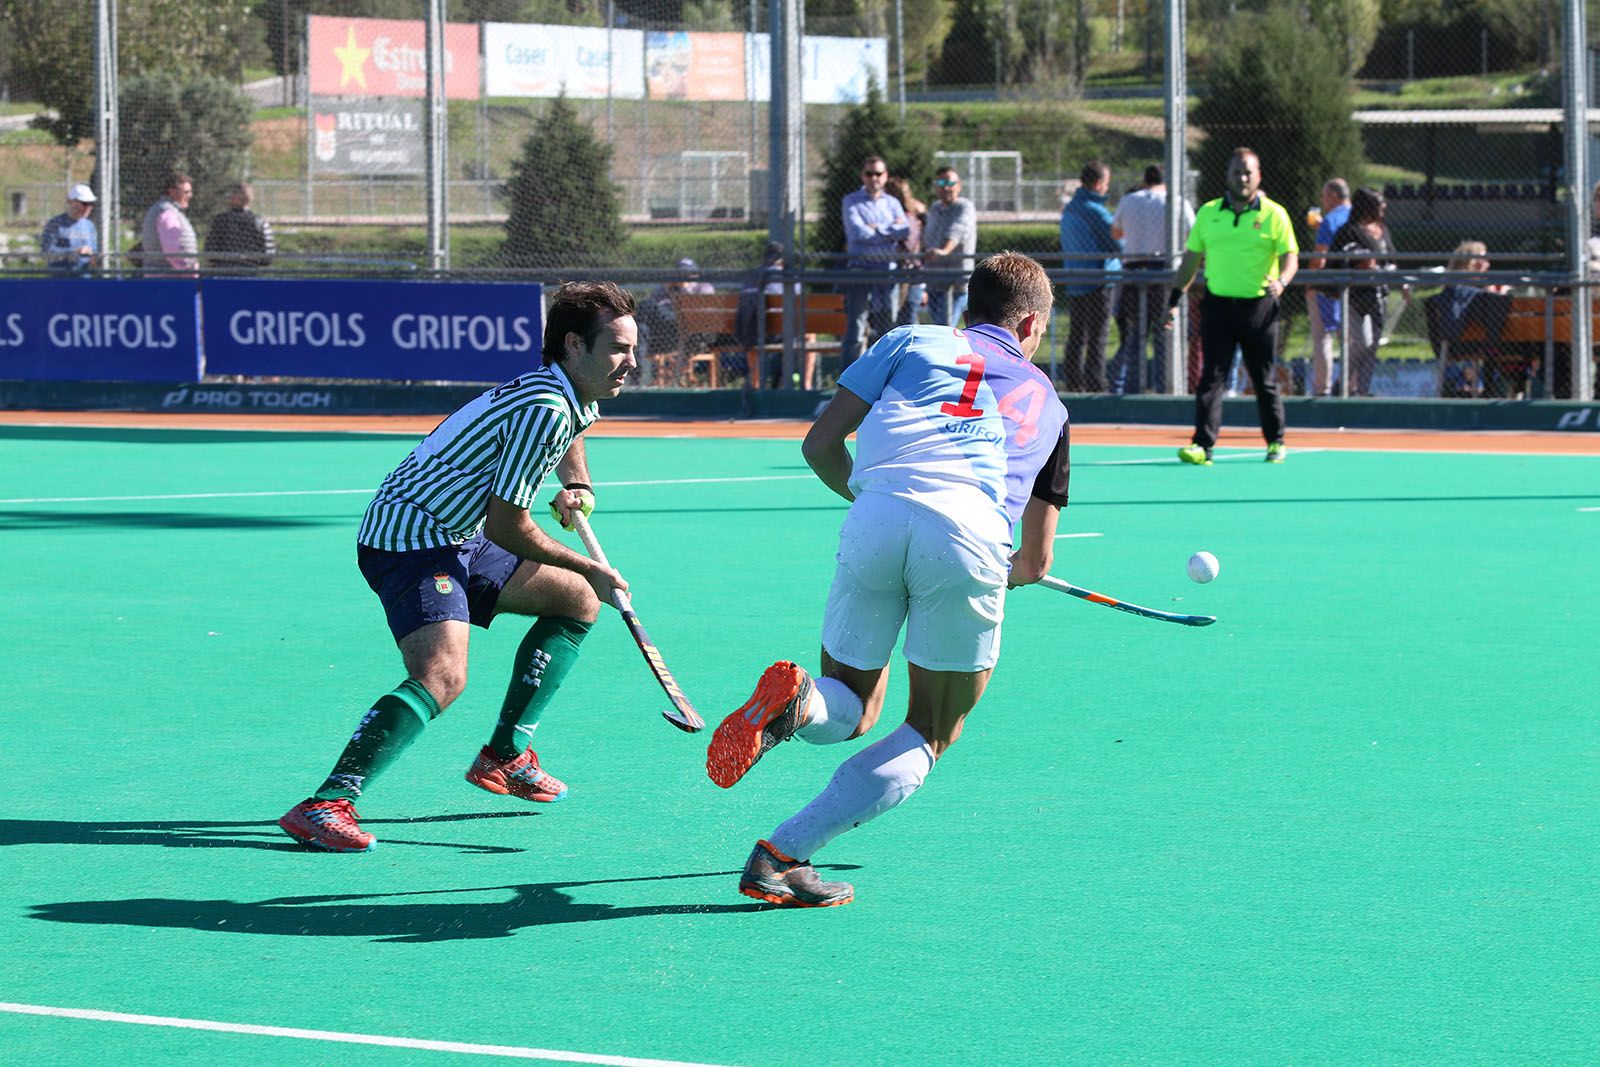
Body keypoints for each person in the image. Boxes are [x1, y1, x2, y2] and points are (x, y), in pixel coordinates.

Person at [704, 251, 1072, 907]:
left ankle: (800, 704)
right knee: (930, 730)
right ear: (1029, 324)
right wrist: (1003, 575)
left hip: (874, 516)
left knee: (849, 702)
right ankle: (782, 853)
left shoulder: (910, 339)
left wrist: (884, 505)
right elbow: (1035, 564)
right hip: (969, 540)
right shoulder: (1050, 406)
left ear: (970, 307)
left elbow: (820, 444)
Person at [278, 281, 638, 853]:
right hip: (410, 541)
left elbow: (574, 430)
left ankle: (505, 755)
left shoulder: (569, 393)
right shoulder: (543, 407)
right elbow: (507, 526)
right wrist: (588, 563)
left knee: (575, 600)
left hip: (455, 533)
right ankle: (326, 803)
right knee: (443, 676)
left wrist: (577, 485)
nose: (630, 363)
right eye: (618, 348)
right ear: (574, 345)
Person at [1168, 147, 1298, 465]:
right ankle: (1203, 445)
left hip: (1260, 309)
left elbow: (1290, 256)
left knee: (1263, 378)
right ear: (1227, 176)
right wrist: (1174, 300)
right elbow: (1190, 261)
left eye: (1248, 172)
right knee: (1211, 376)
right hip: (1218, 308)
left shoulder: (1275, 214)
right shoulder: (1208, 213)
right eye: (1237, 172)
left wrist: (1282, 281)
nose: (1242, 177)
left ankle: (1275, 442)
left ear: (1258, 176)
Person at [1108, 164, 1193, 394]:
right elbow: (1192, 235)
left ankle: (1133, 387)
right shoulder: (1177, 201)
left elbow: (1116, 233)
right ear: (1166, 181)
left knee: (1136, 333)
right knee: (1163, 334)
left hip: (1134, 272)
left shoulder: (1130, 200)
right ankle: (1165, 387)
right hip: (1164, 273)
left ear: (1145, 181)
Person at [840, 155, 910, 371]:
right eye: (869, 174)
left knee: (888, 324)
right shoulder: (851, 200)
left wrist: (876, 228)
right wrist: (890, 229)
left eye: (878, 174)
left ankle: (884, 373)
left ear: (885, 176)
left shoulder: (893, 202)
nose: (874, 178)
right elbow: (857, 232)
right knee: (857, 324)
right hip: (860, 269)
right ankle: (850, 377)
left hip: (887, 272)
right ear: (863, 176)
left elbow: (904, 230)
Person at [1058, 160, 1122, 392]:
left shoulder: (1072, 206)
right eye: (1106, 183)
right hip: (1099, 282)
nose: (1106, 188)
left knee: (1077, 334)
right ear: (1097, 184)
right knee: (1097, 336)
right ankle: (1096, 384)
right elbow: (1118, 244)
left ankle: (1074, 381)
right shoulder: (1095, 211)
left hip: (1077, 280)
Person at [1327, 187, 1396, 398]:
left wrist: (1398, 282)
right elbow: (1339, 259)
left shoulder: (1381, 229)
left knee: (1373, 344)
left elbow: (1390, 258)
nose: (1383, 208)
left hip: (1378, 294)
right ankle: (1342, 384)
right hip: (1354, 295)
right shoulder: (1349, 230)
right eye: (1378, 205)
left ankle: (1363, 390)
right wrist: (1361, 262)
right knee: (1361, 342)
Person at [1302, 179, 1351, 397]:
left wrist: (1311, 282)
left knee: (1322, 336)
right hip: (1353, 285)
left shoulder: (1331, 220)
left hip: (1326, 286)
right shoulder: (1356, 217)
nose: (1322, 201)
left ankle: (1323, 389)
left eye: (1324, 196)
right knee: (1349, 337)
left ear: (1333, 196)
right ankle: (1351, 384)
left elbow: (1320, 257)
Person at [635, 257, 715, 385]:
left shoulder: (703, 287)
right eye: (680, 273)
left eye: (689, 273)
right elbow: (653, 306)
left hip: (687, 330)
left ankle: (639, 373)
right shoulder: (666, 287)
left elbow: (702, 314)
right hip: (663, 334)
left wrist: (684, 288)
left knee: (646, 305)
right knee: (642, 327)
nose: (684, 276)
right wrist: (667, 289)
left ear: (696, 274)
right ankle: (638, 371)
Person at [922, 166, 978, 327]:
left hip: (956, 282)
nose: (946, 187)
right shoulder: (934, 208)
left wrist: (944, 251)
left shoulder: (965, 207)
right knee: (937, 327)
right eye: (941, 182)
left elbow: (958, 230)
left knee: (944, 328)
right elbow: (928, 237)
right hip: (934, 280)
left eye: (950, 182)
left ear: (958, 185)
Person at [204, 182, 276, 272]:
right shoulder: (260, 223)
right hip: (250, 273)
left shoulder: (220, 221)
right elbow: (268, 255)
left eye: (230, 195)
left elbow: (210, 251)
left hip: (223, 273)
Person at [884, 175, 927, 326]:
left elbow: (908, 244)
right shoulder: (896, 216)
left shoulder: (909, 217)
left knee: (906, 320)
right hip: (897, 274)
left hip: (909, 273)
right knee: (895, 320)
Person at [139, 173, 199, 275]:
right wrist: (186, 270)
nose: (190, 195)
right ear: (172, 192)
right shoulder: (167, 213)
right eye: (186, 192)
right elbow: (172, 250)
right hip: (170, 280)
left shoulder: (166, 210)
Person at [40, 183, 98, 274]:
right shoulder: (55, 224)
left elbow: (93, 252)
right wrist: (71, 253)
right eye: (84, 203)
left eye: (91, 204)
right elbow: (46, 253)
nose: (88, 208)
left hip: (84, 279)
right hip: (60, 279)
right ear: (71, 202)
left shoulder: (89, 226)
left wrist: (93, 258)